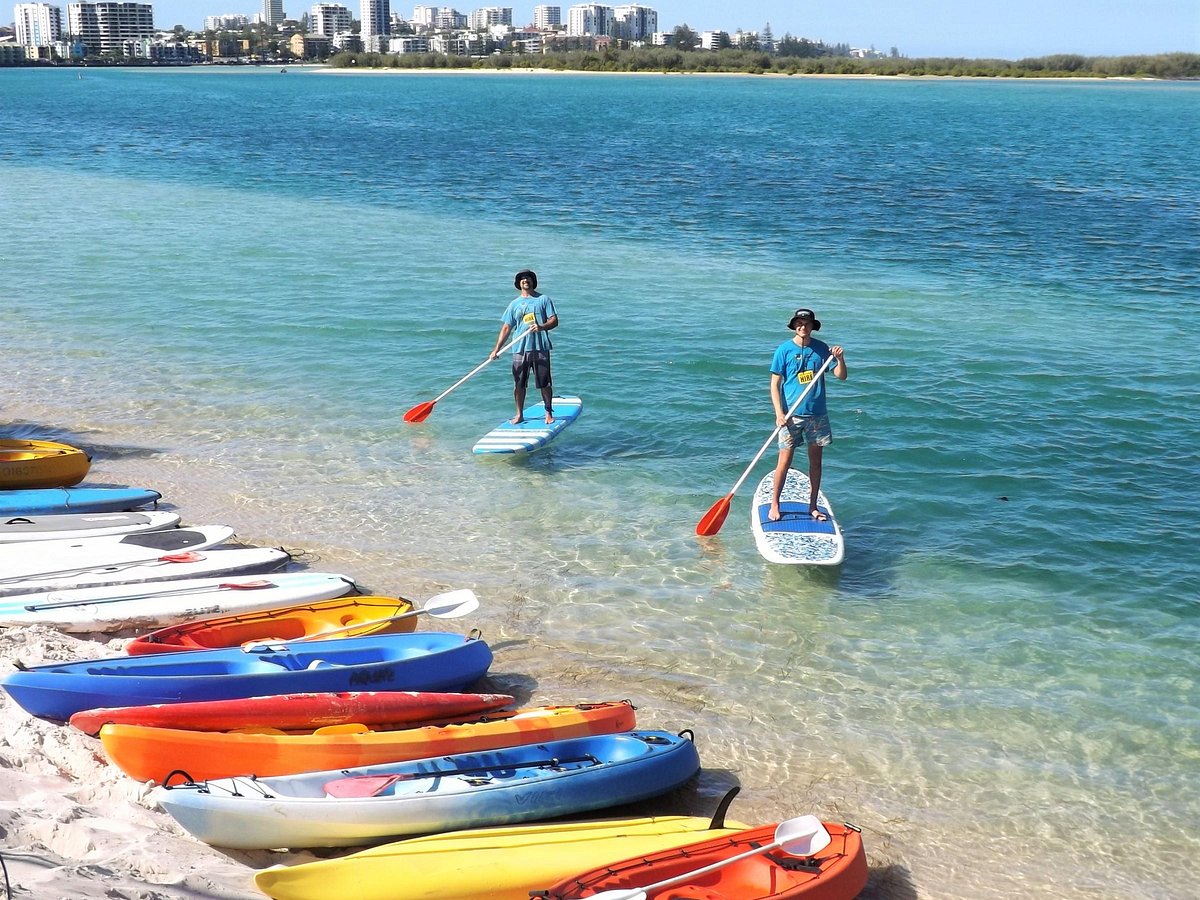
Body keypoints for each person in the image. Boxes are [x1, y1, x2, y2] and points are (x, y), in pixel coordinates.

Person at [768, 307, 847, 522]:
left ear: (813, 326)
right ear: (794, 326)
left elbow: (841, 377)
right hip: (791, 415)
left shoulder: (822, 349)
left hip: (817, 414)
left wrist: (840, 359)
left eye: (807, 323)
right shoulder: (783, 350)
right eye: (799, 323)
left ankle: (813, 505)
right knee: (784, 460)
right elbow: (775, 384)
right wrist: (779, 412)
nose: (803, 327)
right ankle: (775, 504)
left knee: (816, 461)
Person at [490, 270, 559, 424]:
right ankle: (519, 414)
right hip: (520, 349)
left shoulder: (543, 299)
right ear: (519, 283)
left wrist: (541, 327)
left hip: (540, 347)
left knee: (544, 382)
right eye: (522, 279)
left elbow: (554, 320)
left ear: (533, 281)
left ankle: (548, 412)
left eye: (527, 278)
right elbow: (506, 328)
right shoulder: (514, 304)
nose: (525, 280)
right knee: (519, 383)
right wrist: (496, 349)